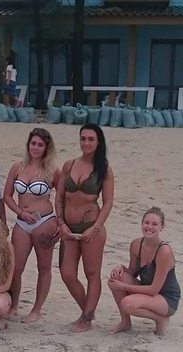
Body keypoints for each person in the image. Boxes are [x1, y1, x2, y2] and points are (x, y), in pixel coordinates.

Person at [56, 123, 115, 333]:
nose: (86, 143)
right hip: (68, 228)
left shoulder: (104, 170)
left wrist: (96, 227)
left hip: (92, 227)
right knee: (67, 274)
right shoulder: (69, 165)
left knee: (92, 273)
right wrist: (61, 223)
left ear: (98, 142)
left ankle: (86, 318)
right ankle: (87, 311)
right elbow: (60, 197)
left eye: (91, 139)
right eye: (83, 138)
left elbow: (108, 202)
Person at [4, 128, 61, 323]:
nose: (36, 147)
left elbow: (62, 198)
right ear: (28, 144)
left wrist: (61, 223)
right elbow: (7, 196)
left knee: (43, 266)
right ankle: (13, 304)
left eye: (40, 144)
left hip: (44, 221)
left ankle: (36, 309)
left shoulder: (53, 171)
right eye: (33, 143)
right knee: (15, 267)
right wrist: (20, 213)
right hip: (22, 221)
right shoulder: (17, 166)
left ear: (46, 148)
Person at [108, 207, 181, 337]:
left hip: (166, 298)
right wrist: (121, 268)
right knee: (116, 278)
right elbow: (133, 272)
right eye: (146, 223)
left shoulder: (164, 251)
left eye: (155, 224)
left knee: (127, 303)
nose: (149, 227)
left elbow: (154, 289)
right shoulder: (136, 244)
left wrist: (122, 287)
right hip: (149, 291)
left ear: (162, 227)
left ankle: (161, 319)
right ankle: (125, 322)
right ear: (142, 223)